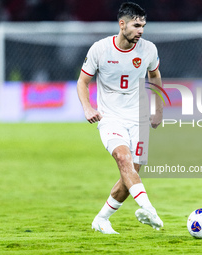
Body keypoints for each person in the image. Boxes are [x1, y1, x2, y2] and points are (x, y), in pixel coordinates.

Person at [77, 2, 163, 234]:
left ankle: (101, 219)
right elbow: (83, 81)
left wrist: (158, 109)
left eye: (143, 25)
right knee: (123, 159)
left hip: (139, 119)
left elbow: (155, 76)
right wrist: (87, 108)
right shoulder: (100, 49)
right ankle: (149, 210)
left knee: (130, 176)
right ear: (122, 24)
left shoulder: (149, 49)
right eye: (136, 25)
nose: (141, 30)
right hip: (110, 117)